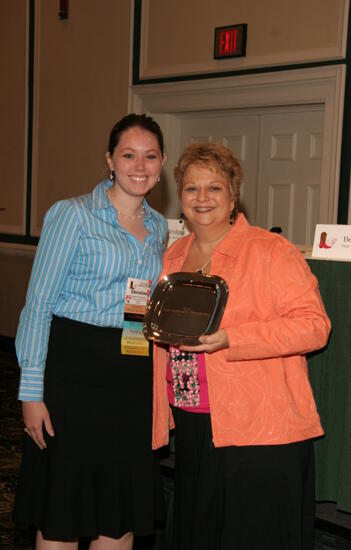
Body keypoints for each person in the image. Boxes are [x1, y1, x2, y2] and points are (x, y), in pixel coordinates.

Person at [151, 142, 331, 550]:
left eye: (214, 188)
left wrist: (234, 339)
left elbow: (314, 326)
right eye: (192, 188)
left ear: (234, 195)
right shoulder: (173, 255)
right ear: (181, 195)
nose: (202, 198)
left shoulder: (270, 251)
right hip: (195, 421)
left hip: (260, 430)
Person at [13, 113, 168, 549]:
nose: (140, 166)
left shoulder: (158, 227)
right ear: (110, 160)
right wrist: (31, 392)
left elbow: (141, 307)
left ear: (162, 162)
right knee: (62, 508)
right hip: (72, 375)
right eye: (129, 155)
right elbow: (39, 304)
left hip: (130, 375)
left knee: (118, 510)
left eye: (150, 156)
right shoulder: (73, 215)